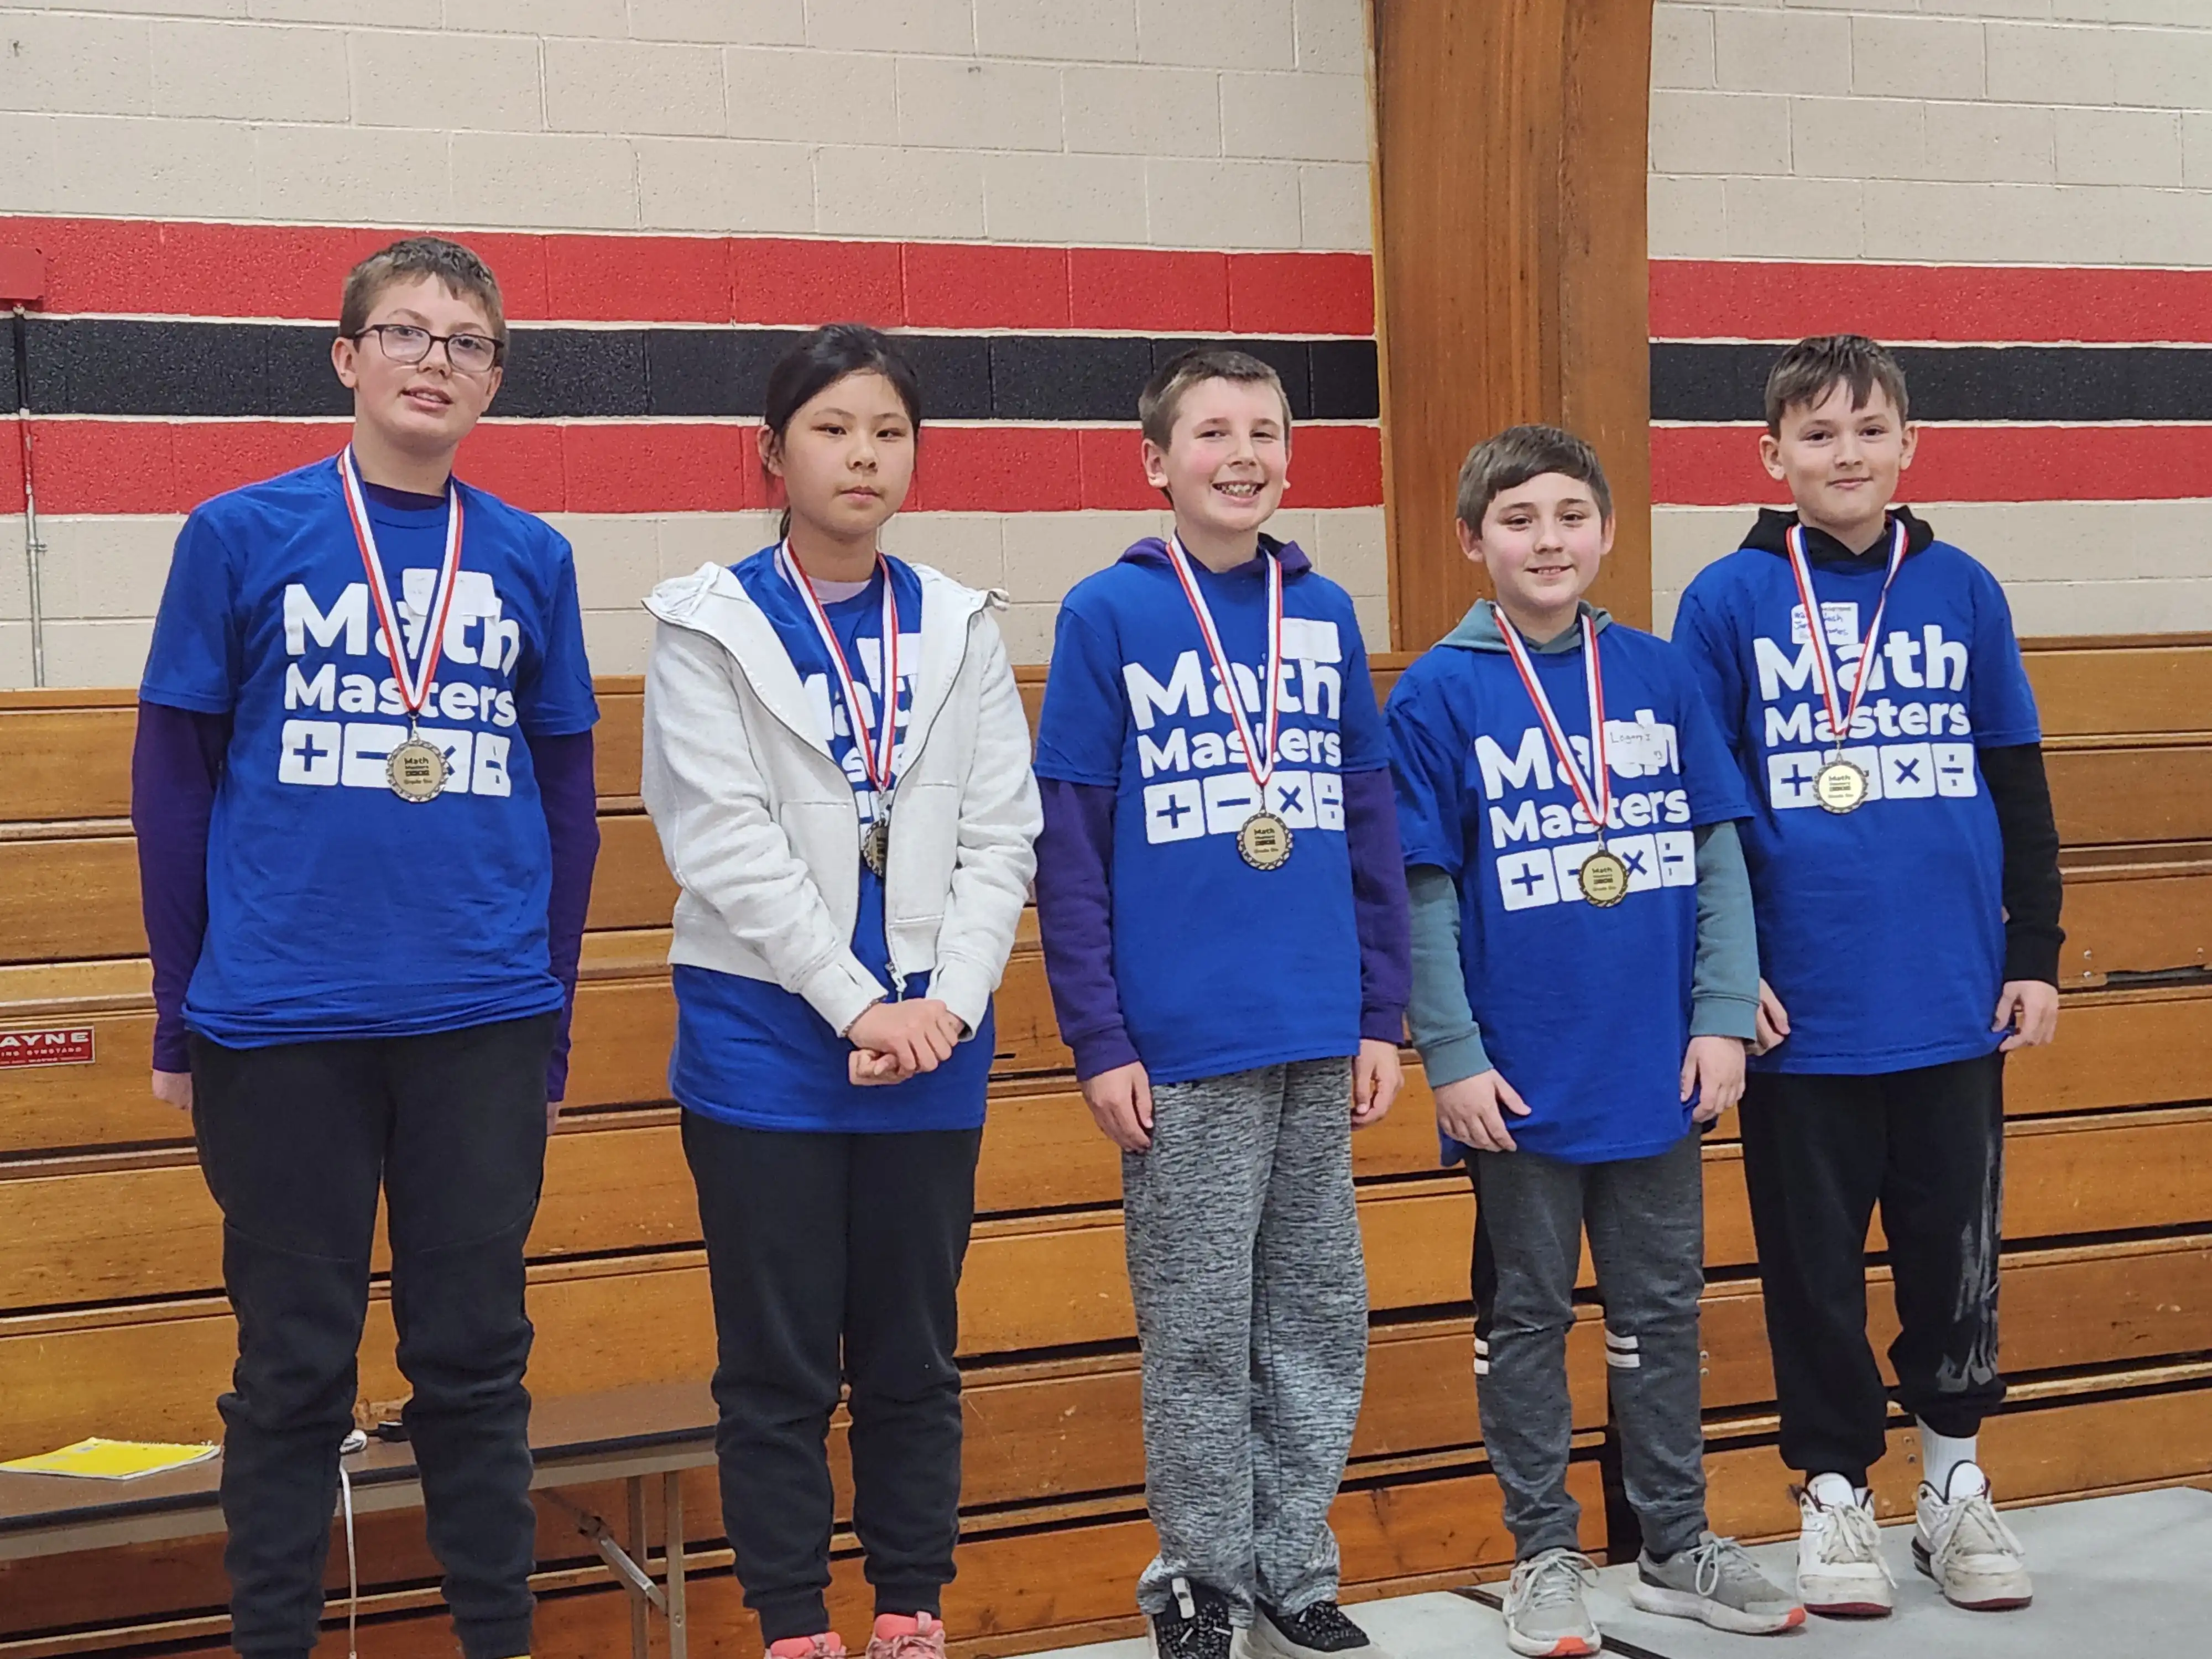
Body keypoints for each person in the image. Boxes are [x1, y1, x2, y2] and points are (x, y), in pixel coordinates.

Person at [132, 236, 601, 1659]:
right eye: (405, 332)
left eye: (467, 342)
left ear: (494, 381)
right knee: (289, 1374)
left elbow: (568, 796)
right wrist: (178, 1013)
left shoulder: (530, 555)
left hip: (478, 1020)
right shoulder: (238, 533)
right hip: (281, 1024)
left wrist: (553, 1010)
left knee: (472, 1366)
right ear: (346, 358)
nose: (434, 360)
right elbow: (172, 782)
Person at [638, 324, 1040, 1659]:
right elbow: (722, 842)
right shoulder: (707, 623)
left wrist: (947, 1005)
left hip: (933, 1047)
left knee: (913, 1360)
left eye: (886, 431)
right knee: (778, 1365)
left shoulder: (959, 621)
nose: (861, 454)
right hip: (765, 1040)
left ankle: (910, 1609)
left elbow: (1002, 835)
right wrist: (855, 1004)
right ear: (772, 454)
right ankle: (795, 1623)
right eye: (830, 429)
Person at [1385, 425, 1803, 1656]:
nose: (1547, 539)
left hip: (1653, 1067)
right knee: (1524, 1316)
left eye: (1570, 515)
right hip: (1517, 1079)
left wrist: (1725, 1016)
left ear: (1608, 532)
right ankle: (1542, 1555)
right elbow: (1422, 893)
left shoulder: (1662, 675)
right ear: (1472, 541)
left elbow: (1719, 851)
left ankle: (1672, 1542)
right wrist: (1450, 1056)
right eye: (1517, 518)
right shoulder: (1437, 693)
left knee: (1660, 1309)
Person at [1672, 335, 2063, 1617]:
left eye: (1866, 430)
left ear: (1907, 446)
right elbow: (1701, 810)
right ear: (1770, 455)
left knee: (1954, 1257)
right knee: (1811, 1270)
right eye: (1817, 434)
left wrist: (2033, 955)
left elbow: (2014, 776)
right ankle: (1832, 1495)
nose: (1844, 454)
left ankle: (1951, 1486)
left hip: (1949, 997)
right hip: (1802, 1012)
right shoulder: (1725, 603)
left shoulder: (1959, 586)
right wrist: (1724, 977)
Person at [1031, 347, 1411, 1659]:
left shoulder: (1323, 617)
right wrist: (1099, 1037)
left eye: (1264, 431)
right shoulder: (1108, 615)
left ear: (1288, 460)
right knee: (1198, 1329)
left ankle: (1293, 1565)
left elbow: (1369, 826)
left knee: (1313, 1312)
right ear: (1156, 463)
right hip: (1182, 1046)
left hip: (1317, 1025)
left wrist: (1380, 1013)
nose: (1240, 453)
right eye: (1210, 433)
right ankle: (1197, 1577)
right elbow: (1068, 846)